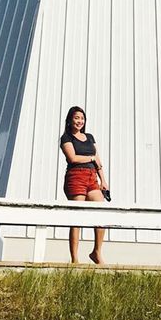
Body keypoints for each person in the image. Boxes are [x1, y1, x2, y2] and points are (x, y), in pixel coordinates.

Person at [61, 106, 110, 264]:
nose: (79, 121)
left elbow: (98, 159)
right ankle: (75, 259)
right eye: (76, 118)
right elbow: (73, 158)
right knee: (77, 217)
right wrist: (90, 158)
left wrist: (103, 180)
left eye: (82, 118)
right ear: (70, 120)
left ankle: (96, 251)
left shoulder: (89, 137)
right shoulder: (66, 138)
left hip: (92, 177)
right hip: (76, 177)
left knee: (100, 213)